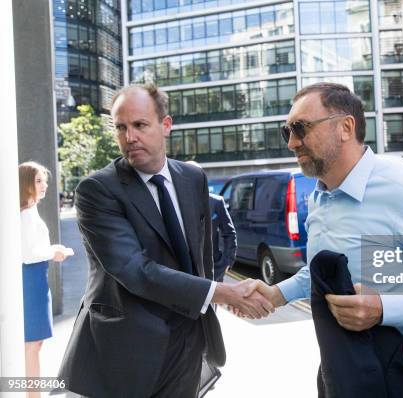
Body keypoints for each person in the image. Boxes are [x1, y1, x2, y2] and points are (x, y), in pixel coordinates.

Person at [248, 83, 403, 397]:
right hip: (336, 369)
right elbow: (329, 273)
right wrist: (277, 294)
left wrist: (382, 308)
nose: (291, 142)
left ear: (346, 127)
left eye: (301, 128)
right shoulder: (321, 194)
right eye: (286, 131)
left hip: (397, 377)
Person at [58, 83, 272, 397]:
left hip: (190, 339)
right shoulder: (97, 190)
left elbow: (202, 253)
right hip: (129, 348)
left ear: (166, 125)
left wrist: (215, 292)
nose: (129, 137)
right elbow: (134, 270)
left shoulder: (192, 177)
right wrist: (224, 293)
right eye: (121, 127)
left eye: (140, 125)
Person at [19, 161, 73, 398]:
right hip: (30, 279)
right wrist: (54, 252)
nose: (44, 185)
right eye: (38, 180)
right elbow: (27, 253)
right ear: (26, 183)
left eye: (45, 181)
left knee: (34, 344)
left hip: (36, 277)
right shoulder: (24, 213)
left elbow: (33, 248)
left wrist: (52, 249)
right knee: (31, 345)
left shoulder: (30, 210)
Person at [185, 162, 237, 282]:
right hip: (187, 271)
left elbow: (229, 233)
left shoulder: (217, 202)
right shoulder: (176, 203)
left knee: (213, 301)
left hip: (215, 269)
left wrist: (227, 261)